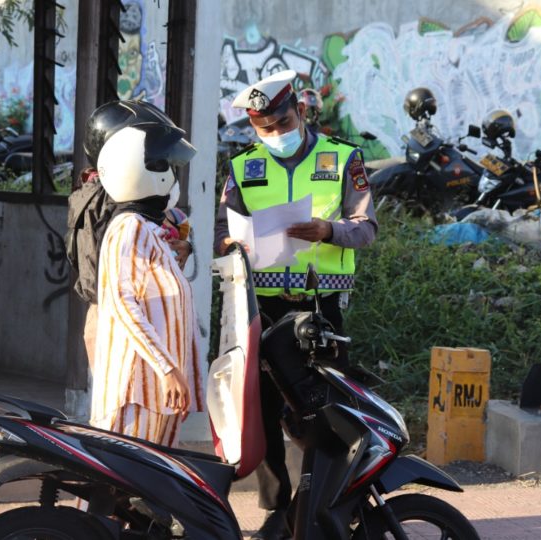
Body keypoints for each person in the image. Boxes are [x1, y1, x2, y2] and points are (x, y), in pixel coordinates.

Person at [213, 69, 378, 540]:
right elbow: (226, 231)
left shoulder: (344, 158)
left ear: (300, 111)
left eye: (283, 123)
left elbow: (366, 227)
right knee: (262, 406)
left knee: (329, 409)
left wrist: (330, 230)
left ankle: (327, 505)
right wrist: (230, 243)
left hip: (320, 307)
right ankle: (277, 511)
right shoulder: (243, 167)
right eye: (264, 129)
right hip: (264, 306)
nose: (275, 135)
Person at [91, 117, 204, 447]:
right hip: (136, 389)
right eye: (170, 167)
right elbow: (123, 303)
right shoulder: (130, 228)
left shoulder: (148, 229)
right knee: (119, 489)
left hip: (159, 392)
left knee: (148, 492)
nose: (175, 177)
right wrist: (168, 369)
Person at [75, 100, 194, 371]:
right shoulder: (117, 204)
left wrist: (184, 246)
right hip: (124, 322)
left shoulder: (126, 199)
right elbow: (123, 290)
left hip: (136, 320)